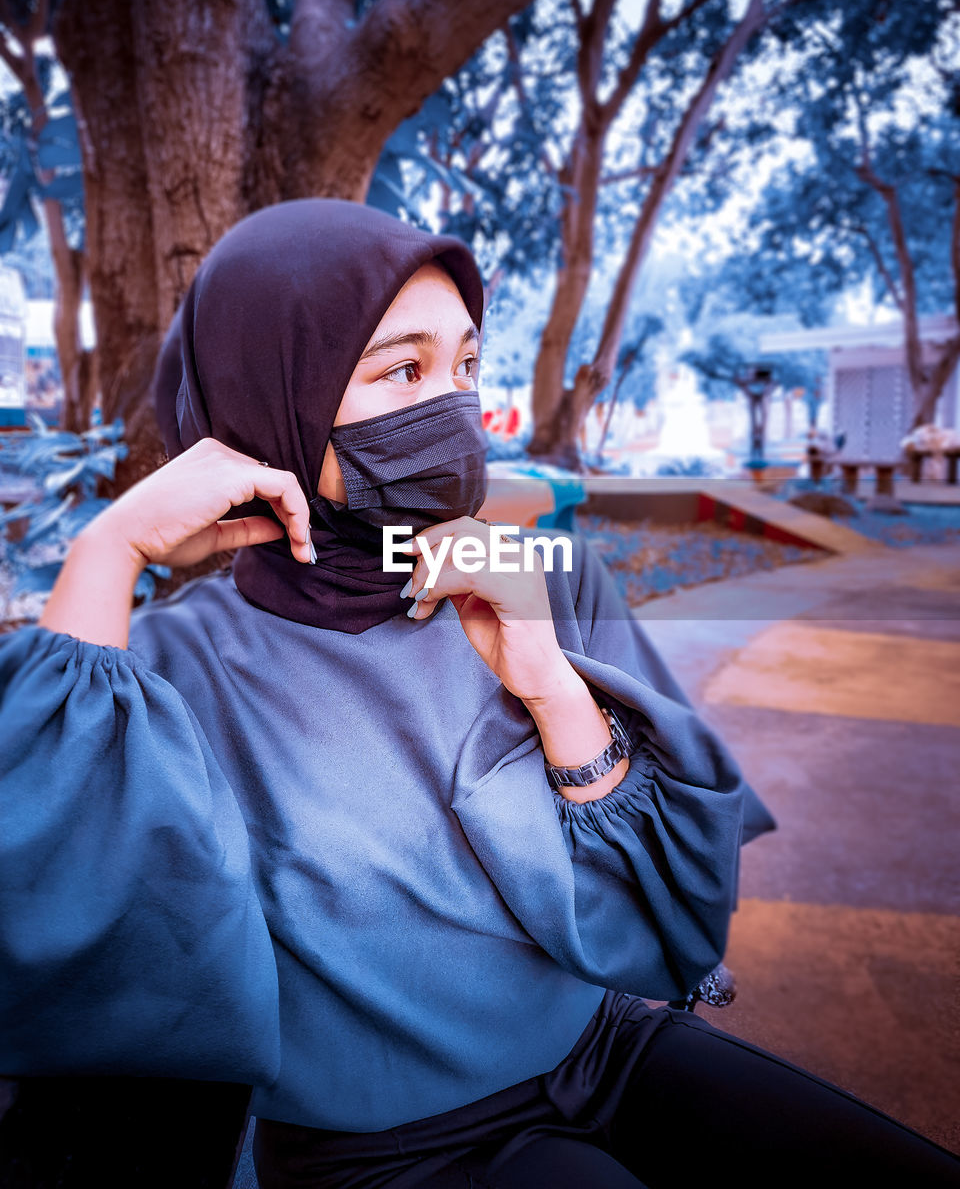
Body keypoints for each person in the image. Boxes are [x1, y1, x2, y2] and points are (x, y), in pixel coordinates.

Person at [1, 198, 957, 1189]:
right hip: (382, 1149)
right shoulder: (166, 667)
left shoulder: (544, 578)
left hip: (611, 1050)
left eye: (465, 366)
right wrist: (105, 550)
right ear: (267, 399)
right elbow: (49, 927)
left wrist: (552, 689)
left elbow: (678, 904)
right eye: (402, 370)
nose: (450, 408)